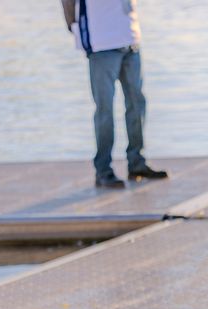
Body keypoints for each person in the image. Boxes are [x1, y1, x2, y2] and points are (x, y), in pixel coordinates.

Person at [61, 0, 169, 188]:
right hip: (102, 43)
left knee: (137, 104)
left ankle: (137, 163)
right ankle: (103, 170)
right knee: (105, 110)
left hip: (130, 39)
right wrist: (75, 27)